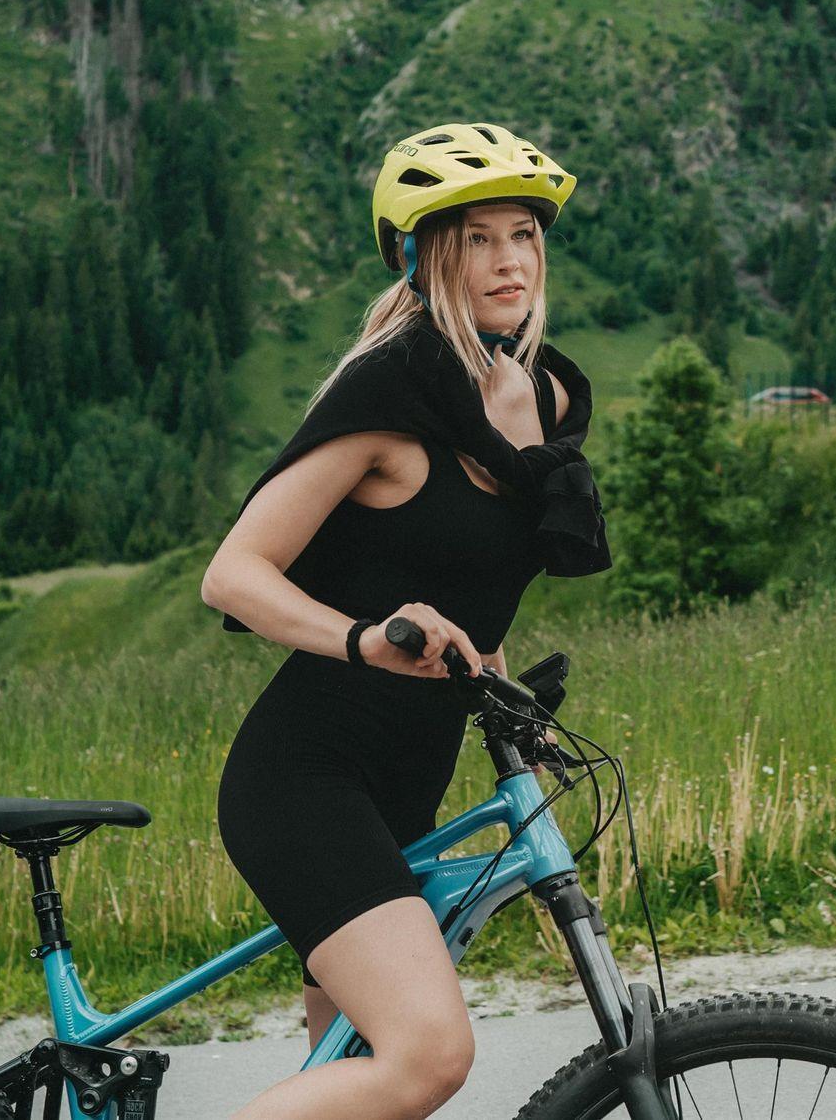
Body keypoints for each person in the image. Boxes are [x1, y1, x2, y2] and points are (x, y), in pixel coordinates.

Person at [201, 122, 609, 1120]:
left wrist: (503, 689)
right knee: (425, 1057)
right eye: (477, 239)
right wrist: (363, 637)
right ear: (426, 258)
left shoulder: (542, 394)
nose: (509, 260)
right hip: (307, 777)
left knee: (352, 1088)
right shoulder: (387, 389)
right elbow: (233, 574)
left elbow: (466, 578)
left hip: (409, 777)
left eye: (523, 234)